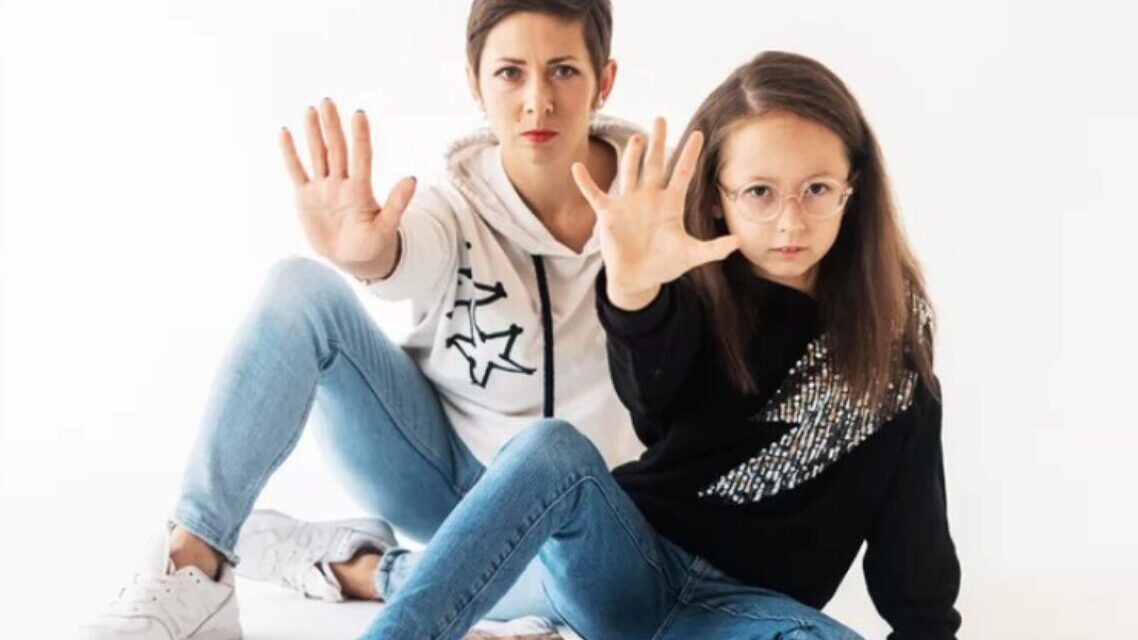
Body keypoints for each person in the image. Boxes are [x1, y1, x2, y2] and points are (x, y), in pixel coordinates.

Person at [79, 2, 647, 638]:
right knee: (299, 288)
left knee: (607, 596)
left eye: (563, 70)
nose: (537, 101)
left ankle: (361, 567)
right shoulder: (453, 206)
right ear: (474, 83)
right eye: (510, 73)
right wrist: (370, 255)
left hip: (570, 515)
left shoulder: (658, 207)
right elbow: (409, 253)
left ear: (604, 80)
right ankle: (193, 562)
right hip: (436, 474)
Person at [360, 50, 961, 640]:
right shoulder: (695, 282)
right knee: (551, 449)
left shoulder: (893, 346)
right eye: (759, 192)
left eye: (817, 189)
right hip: (626, 566)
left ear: (854, 189)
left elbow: (915, 540)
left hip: (744, 614)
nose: (790, 221)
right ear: (719, 196)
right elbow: (653, 407)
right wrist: (633, 291)